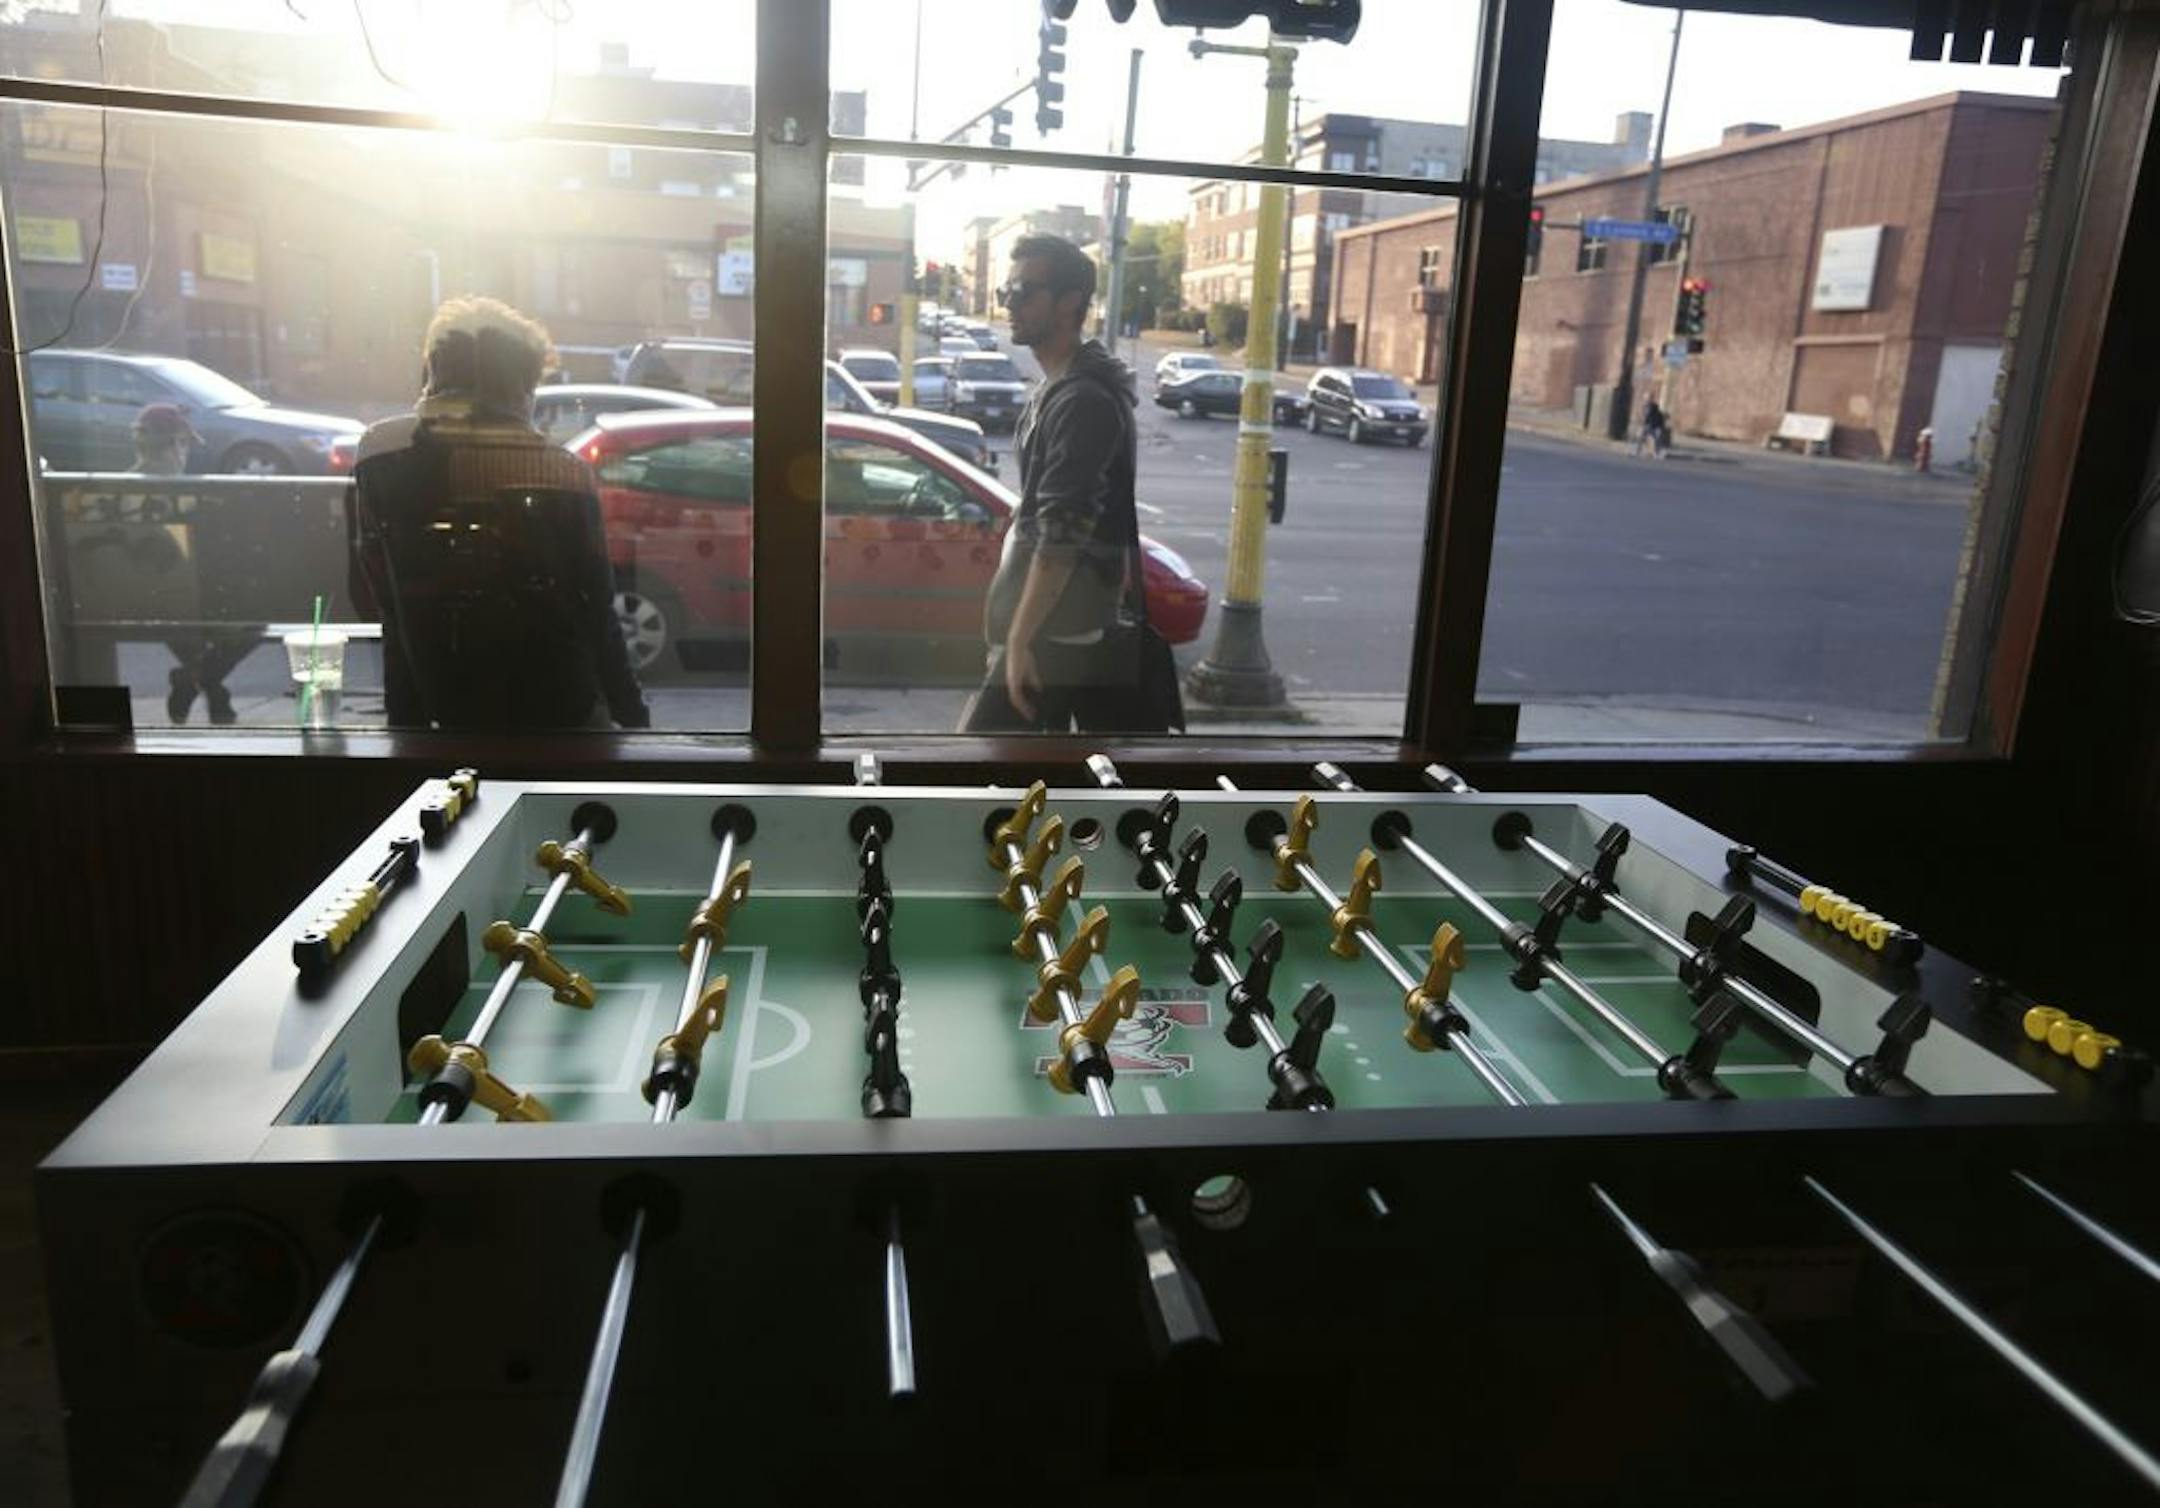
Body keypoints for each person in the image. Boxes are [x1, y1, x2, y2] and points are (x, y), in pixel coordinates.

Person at [348, 297, 649, 730]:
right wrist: (635, 721)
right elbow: (597, 612)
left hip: (444, 707)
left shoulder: (380, 454)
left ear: (434, 373)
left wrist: (404, 725)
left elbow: (386, 602)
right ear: (520, 388)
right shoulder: (562, 473)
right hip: (560, 709)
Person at [961, 233, 1179, 734]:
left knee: (979, 777)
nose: (1009, 304)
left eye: (1023, 291)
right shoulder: (1054, 389)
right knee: (1052, 783)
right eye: (1005, 292)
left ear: (1071, 302)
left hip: (1053, 638)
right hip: (1055, 630)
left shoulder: (1082, 401)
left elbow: (1062, 530)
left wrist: (1018, 642)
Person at [136, 403, 251, 725]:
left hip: (143, 600)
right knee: (255, 622)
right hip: (180, 601)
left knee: (184, 614)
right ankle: (208, 685)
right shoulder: (185, 493)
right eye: (184, 444)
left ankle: (207, 688)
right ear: (174, 444)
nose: (185, 453)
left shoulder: (123, 485)